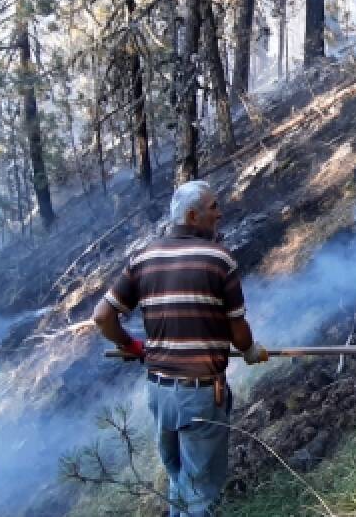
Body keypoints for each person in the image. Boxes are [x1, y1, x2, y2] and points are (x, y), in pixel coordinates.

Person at [93, 180, 270, 516]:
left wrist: (130, 345)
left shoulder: (143, 258)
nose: (220, 214)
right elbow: (238, 332)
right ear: (192, 215)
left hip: (160, 393)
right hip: (200, 394)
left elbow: (103, 317)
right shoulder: (219, 259)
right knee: (200, 495)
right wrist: (250, 349)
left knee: (180, 485)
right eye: (213, 208)